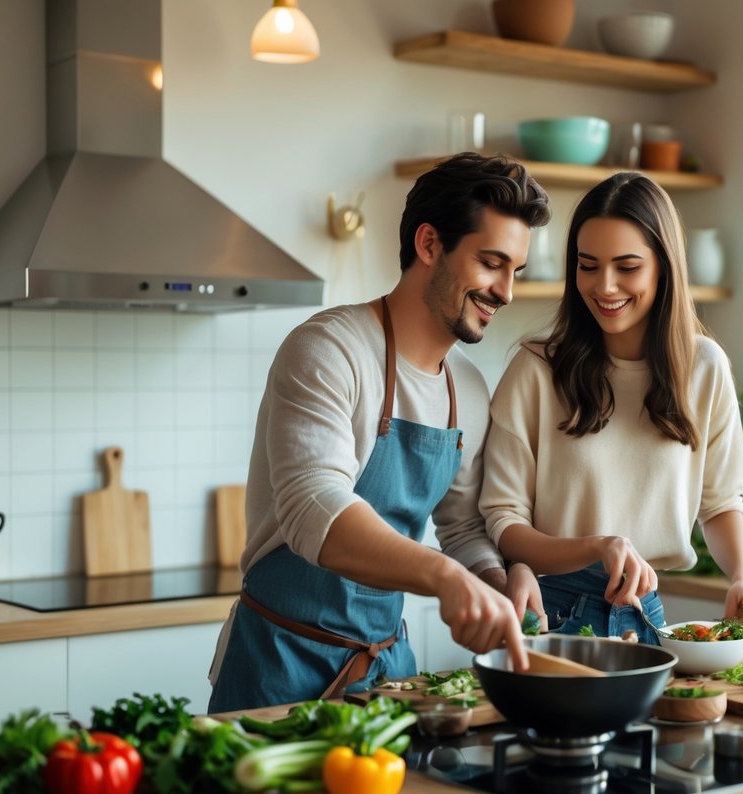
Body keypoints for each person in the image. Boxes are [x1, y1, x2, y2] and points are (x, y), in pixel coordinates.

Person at [208, 153, 551, 712]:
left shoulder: (467, 387)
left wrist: (497, 577)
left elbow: (461, 527)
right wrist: (442, 576)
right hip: (278, 666)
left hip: (388, 675)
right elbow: (313, 508)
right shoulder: (328, 349)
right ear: (428, 244)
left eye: (516, 271)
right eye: (491, 263)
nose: (506, 292)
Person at [479, 171, 743, 644]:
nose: (605, 286)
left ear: (664, 267)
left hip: (649, 617)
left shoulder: (705, 368)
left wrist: (742, 577)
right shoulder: (535, 370)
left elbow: (720, 504)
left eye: (627, 267)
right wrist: (599, 547)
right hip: (550, 612)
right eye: (588, 264)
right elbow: (505, 521)